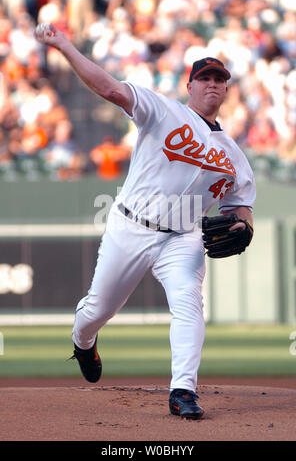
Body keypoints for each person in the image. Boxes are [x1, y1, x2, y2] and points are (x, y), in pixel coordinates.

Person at [34, 23, 256, 420]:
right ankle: (83, 343)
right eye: (204, 77)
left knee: (189, 306)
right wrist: (65, 45)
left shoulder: (234, 155)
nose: (212, 84)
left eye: (219, 79)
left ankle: (183, 391)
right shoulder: (162, 109)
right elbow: (109, 88)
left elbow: (241, 206)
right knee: (96, 311)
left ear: (226, 89)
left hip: (183, 238)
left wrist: (245, 226)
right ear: (189, 86)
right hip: (130, 226)